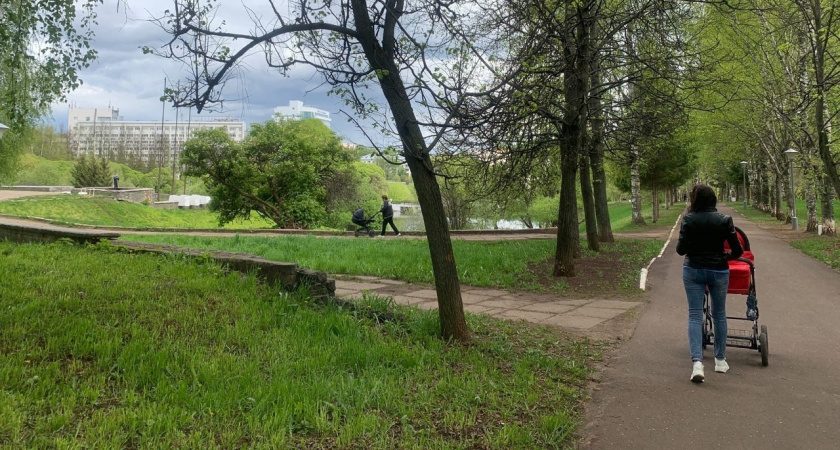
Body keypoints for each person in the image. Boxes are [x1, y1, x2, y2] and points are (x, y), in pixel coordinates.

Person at [676, 184, 743, 383]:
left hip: (693, 269)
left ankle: (697, 363)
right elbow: (738, 251)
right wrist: (724, 257)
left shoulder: (688, 220)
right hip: (719, 270)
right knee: (719, 314)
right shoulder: (725, 220)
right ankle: (720, 360)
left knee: (695, 314)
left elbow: (680, 250)